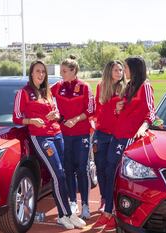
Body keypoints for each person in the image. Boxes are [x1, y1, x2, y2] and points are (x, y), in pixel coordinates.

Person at [13, 60, 86, 230]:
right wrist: (31, 120)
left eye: (43, 72)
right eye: (38, 71)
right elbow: (16, 117)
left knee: (63, 173)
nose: (41, 74)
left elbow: (58, 112)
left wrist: (56, 115)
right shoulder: (24, 92)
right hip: (41, 138)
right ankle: (67, 213)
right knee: (58, 174)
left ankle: (64, 215)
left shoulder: (48, 92)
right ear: (31, 73)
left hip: (57, 134)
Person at [93, 56, 156, 232]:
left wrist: (143, 127)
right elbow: (124, 111)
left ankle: (110, 214)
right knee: (107, 171)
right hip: (116, 136)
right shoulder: (129, 87)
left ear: (135, 69)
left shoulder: (145, 86)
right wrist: (119, 108)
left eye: (126, 68)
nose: (124, 71)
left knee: (114, 174)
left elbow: (150, 111)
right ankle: (110, 211)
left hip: (128, 137)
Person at [51, 56, 94, 219]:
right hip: (63, 135)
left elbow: (90, 110)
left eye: (64, 71)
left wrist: (76, 119)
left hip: (81, 134)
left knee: (82, 169)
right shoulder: (57, 86)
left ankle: (85, 205)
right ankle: (72, 202)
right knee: (67, 169)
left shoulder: (84, 87)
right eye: (61, 70)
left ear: (73, 71)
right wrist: (58, 117)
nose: (61, 73)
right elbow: (46, 97)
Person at [93, 60, 126, 212]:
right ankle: (104, 198)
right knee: (99, 167)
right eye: (116, 70)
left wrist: (114, 108)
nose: (119, 73)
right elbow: (100, 111)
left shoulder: (125, 88)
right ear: (109, 72)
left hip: (116, 135)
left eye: (121, 70)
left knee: (110, 169)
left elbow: (125, 112)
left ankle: (111, 201)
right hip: (101, 133)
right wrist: (114, 105)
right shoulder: (101, 86)